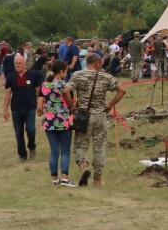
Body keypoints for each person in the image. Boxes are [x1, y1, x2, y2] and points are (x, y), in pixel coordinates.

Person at [65, 52, 124, 187]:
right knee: (100, 147)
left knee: (80, 145)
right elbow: (122, 90)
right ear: (98, 63)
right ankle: (97, 180)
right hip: (100, 116)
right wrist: (109, 105)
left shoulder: (78, 75)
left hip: (83, 116)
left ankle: (84, 167)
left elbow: (66, 90)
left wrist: (72, 106)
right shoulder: (106, 77)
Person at [2, 53, 44, 162]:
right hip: (16, 109)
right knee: (18, 132)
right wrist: (5, 110)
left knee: (31, 129)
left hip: (30, 107)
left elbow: (38, 91)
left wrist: (40, 105)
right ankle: (22, 155)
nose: (18, 65)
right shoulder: (11, 77)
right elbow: (7, 93)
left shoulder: (33, 75)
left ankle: (32, 146)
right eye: (16, 63)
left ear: (25, 64)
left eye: (20, 63)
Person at [38, 59, 73, 185]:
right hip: (63, 120)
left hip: (49, 121)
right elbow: (69, 100)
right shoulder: (64, 85)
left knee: (54, 151)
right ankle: (64, 177)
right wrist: (72, 106)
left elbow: (41, 100)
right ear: (61, 71)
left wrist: (40, 108)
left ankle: (54, 178)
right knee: (65, 151)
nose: (66, 74)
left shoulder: (45, 85)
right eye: (66, 71)